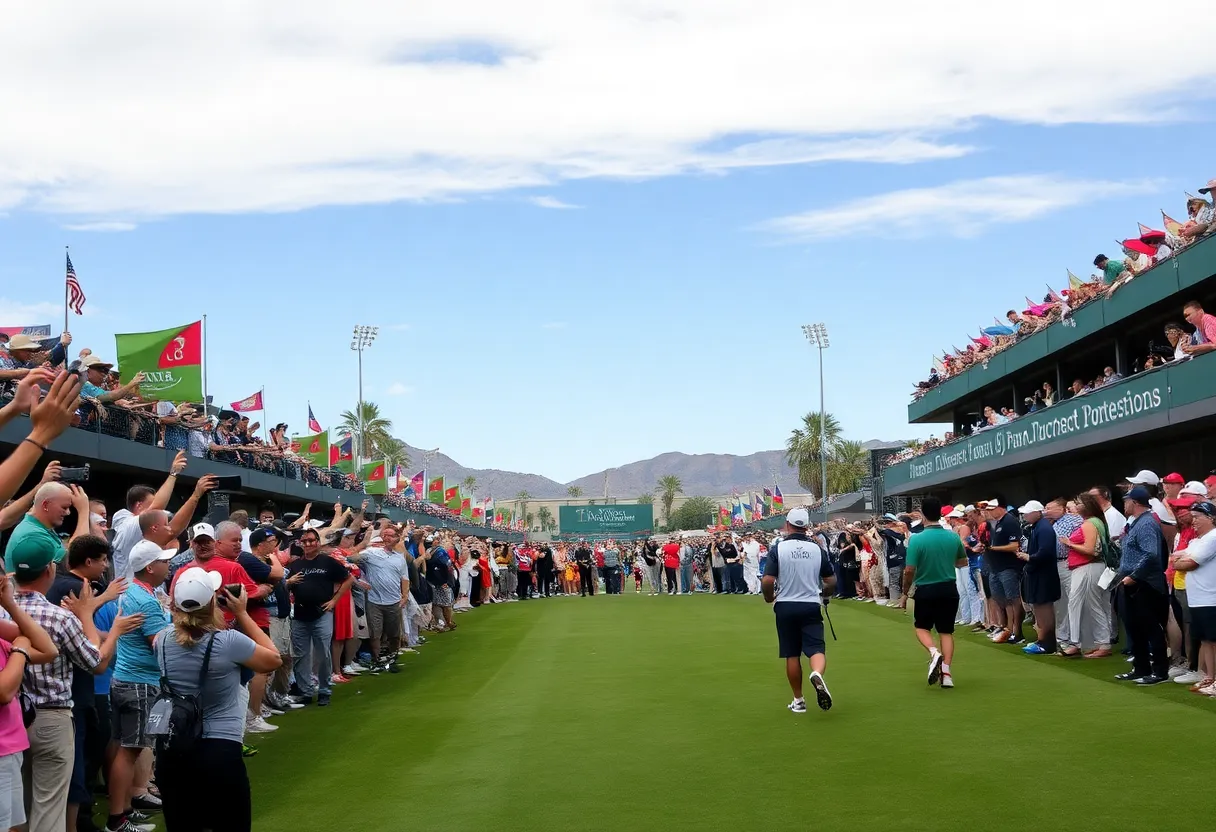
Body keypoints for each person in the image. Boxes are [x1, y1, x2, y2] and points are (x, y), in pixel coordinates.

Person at [12, 530, 139, 832]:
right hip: (51, 718)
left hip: (13, 717)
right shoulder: (58, 617)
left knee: (21, 807)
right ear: (49, 569)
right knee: (49, 807)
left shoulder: (5, 611)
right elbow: (97, 662)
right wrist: (110, 628)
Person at [156, 568, 281, 832]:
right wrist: (242, 613)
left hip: (175, 746)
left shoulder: (163, 639)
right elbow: (273, 658)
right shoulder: (228, 642)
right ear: (213, 602)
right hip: (219, 749)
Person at [108, 540, 175, 832]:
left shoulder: (135, 592)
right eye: (163, 561)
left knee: (126, 750)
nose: (168, 565)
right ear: (150, 567)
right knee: (129, 752)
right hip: (139, 684)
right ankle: (117, 820)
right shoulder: (145, 599)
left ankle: (124, 810)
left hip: (127, 679)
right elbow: (160, 645)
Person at [762, 508, 836, 713]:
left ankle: (799, 700)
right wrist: (825, 596)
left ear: (788, 524)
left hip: (785, 604)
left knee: (791, 653)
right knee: (816, 648)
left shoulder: (779, 548)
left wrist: (769, 597)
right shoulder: (817, 549)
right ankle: (817, 673)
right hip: (810, 604)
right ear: (807, 526)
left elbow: (767, 580)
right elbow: (830, 580)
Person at [0, 572, 58, 832]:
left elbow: (48, 649)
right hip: (2, 750)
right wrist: (20, 649)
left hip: (8, 747)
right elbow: (4, 691)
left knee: (13, 824)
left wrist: (10, 605)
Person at [902, 497, 966, 688]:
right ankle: (946, 673)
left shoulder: (916, 539)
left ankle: (933, 652)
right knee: (946, 631)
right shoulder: (953, 536)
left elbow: (909, 570)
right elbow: (962, 562)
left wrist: (905, 591)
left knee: (922, 627)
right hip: (948, 588)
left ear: (923, 515)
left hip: (926, 589)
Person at [284, 528, 352, 706]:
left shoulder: (327, 562)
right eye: (304, 541)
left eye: (311, 540)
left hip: (322, 613)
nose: (308, 544)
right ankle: (305, 691)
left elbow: (349, 579)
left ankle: (324, 690)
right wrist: (289, 582)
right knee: (300, 655)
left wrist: (335, 600)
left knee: (323, 654)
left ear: (318, 542)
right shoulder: (296, 565)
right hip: (300, 614)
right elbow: (285, 586)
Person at [1116, 486, 1170, 684]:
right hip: (1130, 581)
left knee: (1150, 628)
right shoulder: (1136, 523)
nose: (1124, 504)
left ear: (1135, 502)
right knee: (1134, 627)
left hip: (1145, 584)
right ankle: (1140, 668)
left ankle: (1160, 672)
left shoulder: (1146, 523)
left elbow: (1151, 554)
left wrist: (1135, 576)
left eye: (1126, 501)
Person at [1169, 502, 1216, 695]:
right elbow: (1175, 557)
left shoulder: (1213, 537)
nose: (1193, 520)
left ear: (1211, 518)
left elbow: (1189, 563)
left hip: (1210, 598)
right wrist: (1180, 561)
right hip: (1197, 598)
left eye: (1197, 517)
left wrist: (1179, 562)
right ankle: (1209, 677)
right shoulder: (1197, 541)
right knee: (1205, 640)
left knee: (1213, 641)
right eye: (1193, 516)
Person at [1016, 501, 1062, 655]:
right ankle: (1042, 640)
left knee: (1044, 607)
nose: (1025, 516)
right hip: (1038, 573)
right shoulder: (1037, 527)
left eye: (1028, 513)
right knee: (1039, 607)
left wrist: (1029, 557)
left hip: (1044, 574)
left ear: (1037, 512)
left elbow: (1046, 552)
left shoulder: (1044, 528)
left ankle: (1048, 643)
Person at [983, 499, 1026, 645]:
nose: (989, 512)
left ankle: (1017, 632)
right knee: (1001, 599)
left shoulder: (1009, 521)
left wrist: (994, 548)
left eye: (991, 509)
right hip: (995, 567)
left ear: (1001, 508)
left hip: (1009, 567)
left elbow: (1014, 546)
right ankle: (1007, 628)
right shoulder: (996, 523)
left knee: (1013, 599)